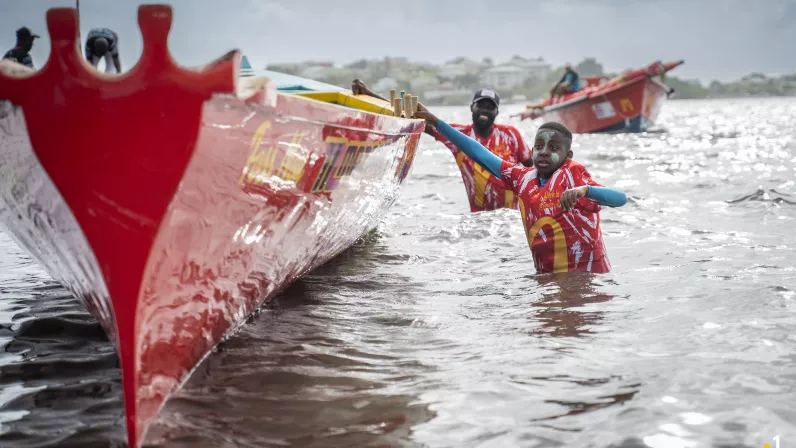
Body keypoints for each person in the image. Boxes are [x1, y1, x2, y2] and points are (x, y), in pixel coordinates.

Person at [415, 105, 628, 274]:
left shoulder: (573, 174)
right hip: (548, 279)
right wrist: (435, 121)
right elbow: (478, 152)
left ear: (568, 156)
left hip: (587, 278)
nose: (544, 152)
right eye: (539, 147)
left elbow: (620, 199)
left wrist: (585, 191)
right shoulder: (521, 178)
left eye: (553, 148)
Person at [351, 79, 532, 213]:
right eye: (480, 105)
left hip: (512, 217)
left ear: (497, 112)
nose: (484, 109)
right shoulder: (458, 135)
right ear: (471, 108)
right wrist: (370, 94)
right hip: (480, 219)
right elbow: (414, 118)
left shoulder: (511, 134)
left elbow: (531, 171)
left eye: (490, 107)